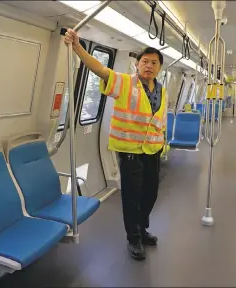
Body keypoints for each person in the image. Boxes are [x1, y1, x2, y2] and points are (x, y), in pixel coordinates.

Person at [64, 28, 166, 260]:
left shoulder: (162, 90)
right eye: (145, 62)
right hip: (130, 152)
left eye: (154, 63)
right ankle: (134, 239)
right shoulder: (125, 83)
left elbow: (159, 120)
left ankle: (142, 229)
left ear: (159, 68)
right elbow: (99, 68)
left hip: (152, 151)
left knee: (150, 194)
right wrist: (79, 47)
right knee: (132, 197)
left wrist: (161, 142)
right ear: (137, 64)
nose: (149, 66)